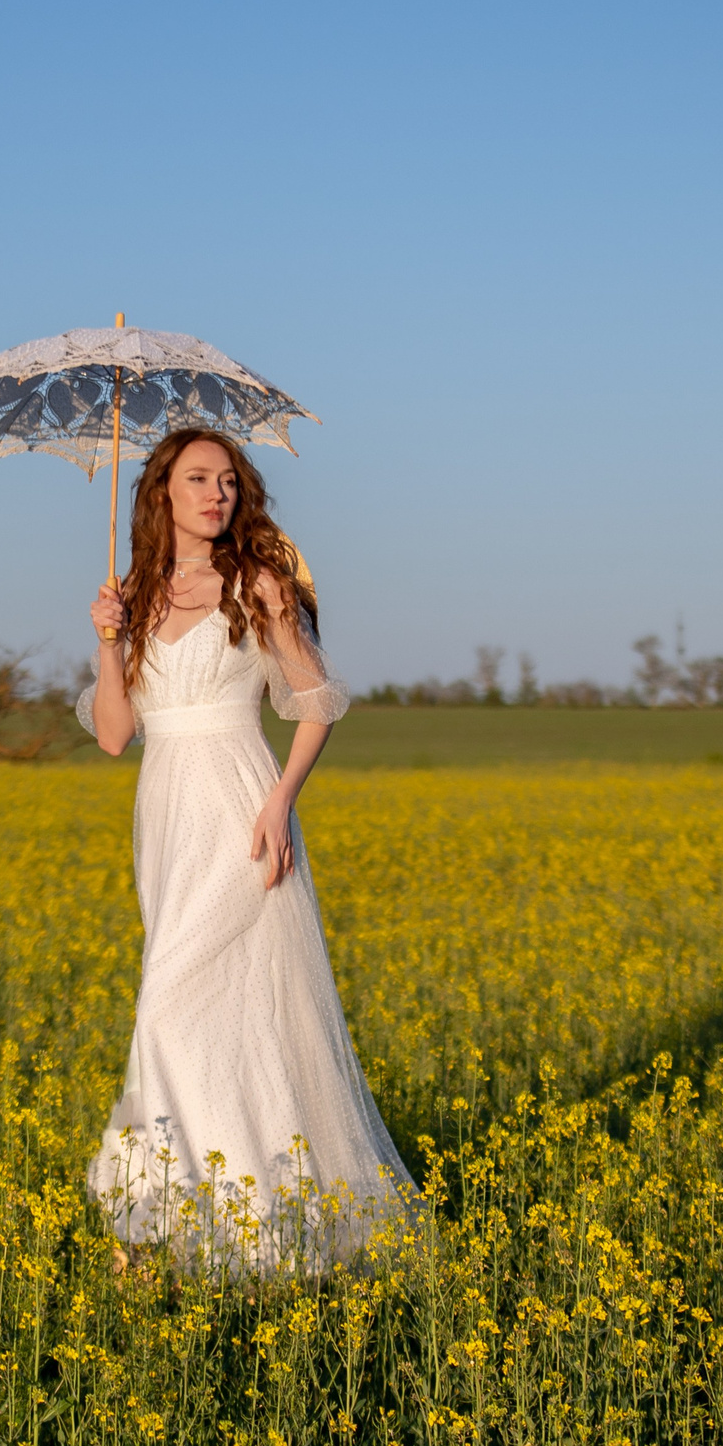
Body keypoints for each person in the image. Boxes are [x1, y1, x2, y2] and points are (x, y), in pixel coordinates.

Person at [78, 428, 415, 1266]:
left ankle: (175, 1225)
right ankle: (190, 1221)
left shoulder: (257, 583)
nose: (215, 494)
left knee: (168, 1010)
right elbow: (116, 736)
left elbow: (316, 700)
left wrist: (280, 802)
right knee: (211, 1018)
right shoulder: (136, 593)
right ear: (162, 492)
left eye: (228, 481)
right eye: (197, 479)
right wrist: (106, 639)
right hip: (166, 815)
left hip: (240, 805)